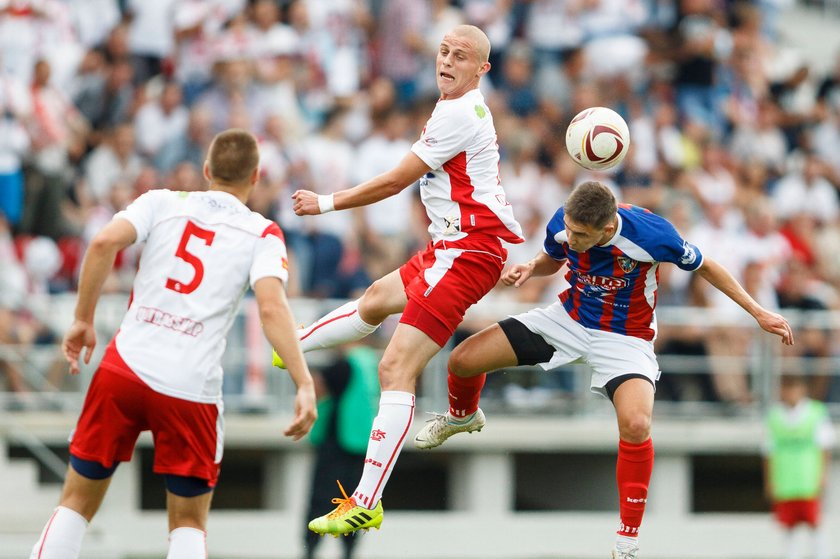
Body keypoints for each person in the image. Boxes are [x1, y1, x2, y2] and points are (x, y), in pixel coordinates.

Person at [413, 181, 794, 559]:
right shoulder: (565, 221)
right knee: (462, 360)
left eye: (581, 235)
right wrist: (531, 266)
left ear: (607, 229)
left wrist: (758, 312)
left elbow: (708, 267)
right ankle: (462, 417)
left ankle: (627, 542)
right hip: (568, 320)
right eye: (570, 229)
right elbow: (555, 256)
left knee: (637, 424)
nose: (571, 237)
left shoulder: (652, 234)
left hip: (625, 340)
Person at [277, 24, 524, 536]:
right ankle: (295, 348)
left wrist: (325, 203)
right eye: (444, 51)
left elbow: (394, 181)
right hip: (453, 248)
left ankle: (366, 501)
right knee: (374, 300)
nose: (448, 61)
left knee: (394, 368)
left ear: (483, 69)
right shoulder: (453, 107)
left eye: (462, 56)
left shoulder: (459, 111)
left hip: (469, 253)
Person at [29, 129, 317, 559]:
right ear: (255, 177)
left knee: (75, 504)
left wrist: (82, 321)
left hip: (125, 367)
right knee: (187, 524)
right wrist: (303, 382)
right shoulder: (263, 232)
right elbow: (272, 308)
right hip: (190, 387)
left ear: (206, 170)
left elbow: (104, 240)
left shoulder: (161, 201)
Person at [302, 342, 380, 559]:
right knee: (355, 504)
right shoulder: (370, 362)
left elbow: (317, 387)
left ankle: (310, 550)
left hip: (336, 442)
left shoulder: (346, 364)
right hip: (363, 443)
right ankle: (349, 552)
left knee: (320, 500)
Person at [763, 374, 834, 559]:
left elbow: (825, 447)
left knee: (814, 522)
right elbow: (768, 451)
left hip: (808, 478)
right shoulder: (774, 416)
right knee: (788, 525)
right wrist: (770, 480)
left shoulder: (816, 412)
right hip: (785, 479)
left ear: (802, 390)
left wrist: (823, 475)